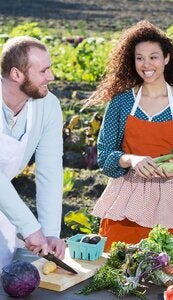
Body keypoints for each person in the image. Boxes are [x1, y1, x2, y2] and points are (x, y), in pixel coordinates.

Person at [87, 20, 173, 251]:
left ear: (166, 58)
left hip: (167, 201)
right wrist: (131, 159)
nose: (146, 64)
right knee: (115, 268)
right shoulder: (121, 102)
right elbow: (104, 155)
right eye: (139, 58)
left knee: (165, 270)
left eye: (153, 57)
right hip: (125, 198)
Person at [0, 36, 66, 269]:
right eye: (43, 71)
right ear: (16, 74)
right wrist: (29, 227)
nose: (51, 77)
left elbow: (50, 172)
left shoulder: (48, 106)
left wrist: (49, 233)